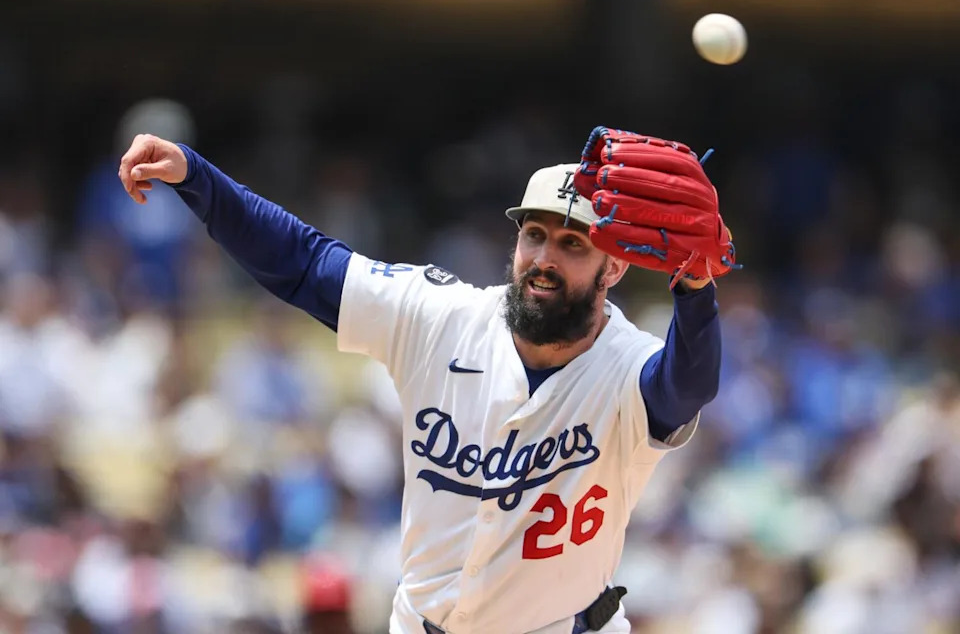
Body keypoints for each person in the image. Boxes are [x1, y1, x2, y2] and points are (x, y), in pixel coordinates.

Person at [117, 127, 726, 634]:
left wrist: (696, 293)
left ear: (614, 264)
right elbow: (304, 263)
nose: (544, 259)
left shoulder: (630, 364)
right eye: (534, 235)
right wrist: (197, 178)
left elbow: (686, 388)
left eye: (573, 244)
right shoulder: (441, 316)